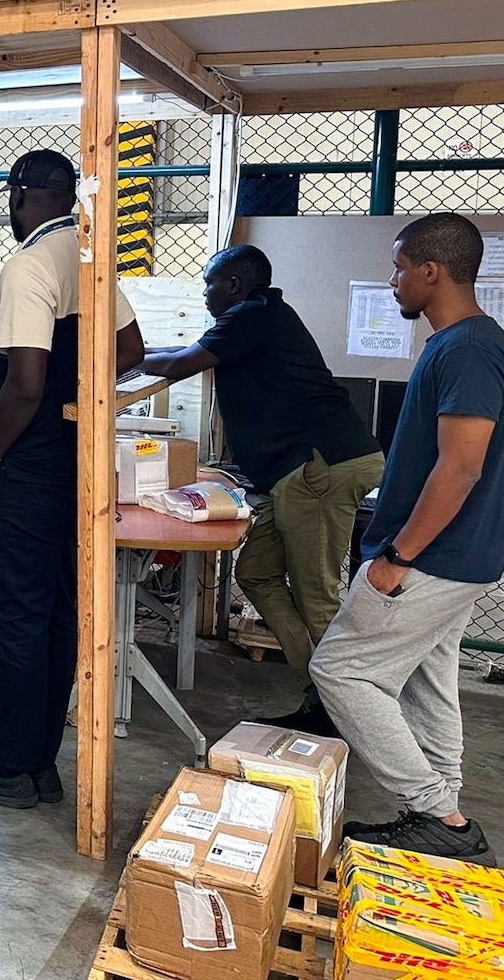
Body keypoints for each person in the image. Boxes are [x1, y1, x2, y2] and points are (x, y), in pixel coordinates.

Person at [0, 150, 145, 812]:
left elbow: (22, 383)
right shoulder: (88, 253)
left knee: (18, 616)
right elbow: (130, 350)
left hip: (23, 468)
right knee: (54, 613)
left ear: (21, 193)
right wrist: (68, 398)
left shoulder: (27, 265)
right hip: (72, 461)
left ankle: (11, 768)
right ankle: (36, 758)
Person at [311, 213, 504, 866]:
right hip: (460, 559)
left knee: (340, 671)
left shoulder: (468, 349)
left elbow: (461, 465)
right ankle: (441, 821)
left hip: (431, 558)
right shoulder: (462, 344)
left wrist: (398, 556)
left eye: (399, 268)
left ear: (431, 270)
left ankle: (437, 815)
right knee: (429, 682)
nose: (392, 281)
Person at [141, 245, 383, 735]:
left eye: (208, 285)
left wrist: (111, 356)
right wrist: (129, 357)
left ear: (232, 285)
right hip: (292, 475)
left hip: (319, 468)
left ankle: (343, 709)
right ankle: (325, 686)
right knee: (257, 573)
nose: (205, 294)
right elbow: (172, 355)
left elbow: (178, 364)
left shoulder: (253, 314)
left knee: (316, 594)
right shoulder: (258, 316)